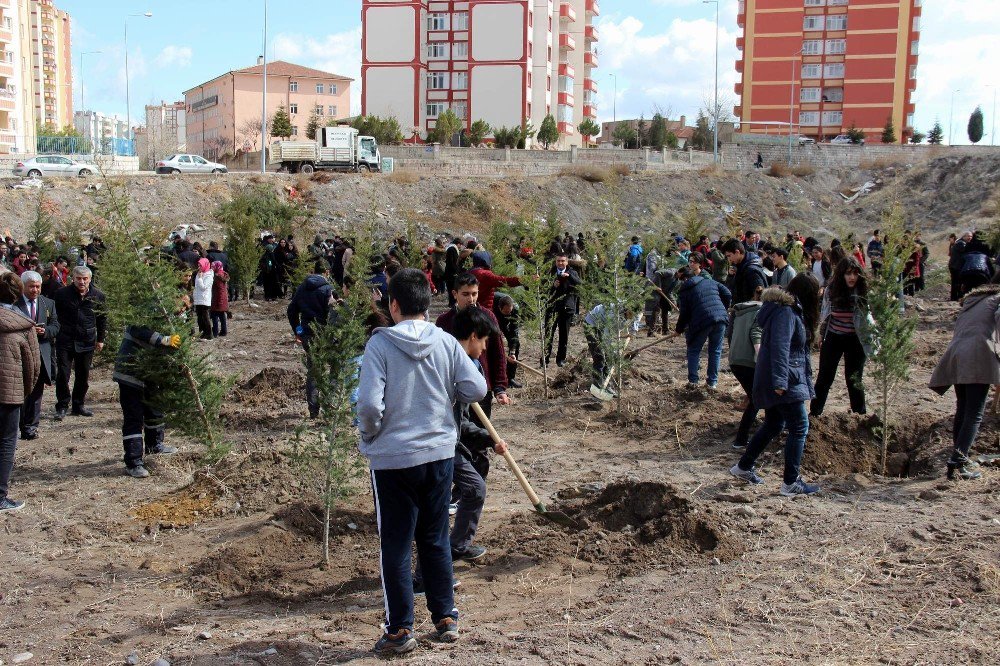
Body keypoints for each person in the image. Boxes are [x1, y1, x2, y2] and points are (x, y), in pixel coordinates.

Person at [357, 268, 488, 655]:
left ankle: (399, 630)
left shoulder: (379, 346)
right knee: (434, 537)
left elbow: (367, 405)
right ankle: (446, 617)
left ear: (393, 305)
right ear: (427, 305)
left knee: (396, 545)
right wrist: (447, 408)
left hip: (394, 459)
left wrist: (371, 434)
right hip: (439, 455)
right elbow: (476, 387)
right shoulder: (446, 342)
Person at [729, 273, 822, 496]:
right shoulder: (786, 313)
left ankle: (743, 467)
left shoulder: (785, 310)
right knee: (800, 426)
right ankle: (791, 482)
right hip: (784, 379)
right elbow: (780, 349)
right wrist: (780, 382)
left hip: (777, 377)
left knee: (774, 423)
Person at [446, 306, 509, 561]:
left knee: (474, 489)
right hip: (436, 445)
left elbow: (460, 422)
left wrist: (490, 440)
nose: (484, 348)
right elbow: (456, 421)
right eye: (483, 341)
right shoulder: (450, 367)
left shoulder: (467, 366)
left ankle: (457, 546)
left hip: (449, 441)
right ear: (473, 336)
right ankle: (430, 570)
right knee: (438, 505)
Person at [928, 275, 1000, 480]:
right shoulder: (998, 299)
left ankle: (957, 461)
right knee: (975, 413)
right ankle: (958, 460)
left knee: (963, 407)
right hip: (979, 354)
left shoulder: (975, 300)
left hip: (957, 353)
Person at [436, 273, 511, 419]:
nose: (471, 299)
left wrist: (500, 387)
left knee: (481, 433)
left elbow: (497, 353)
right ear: (455, 294)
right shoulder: (444, 322)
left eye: (474, 294)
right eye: (465, 294)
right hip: (454, 390)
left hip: (481, 387)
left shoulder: (487, 317)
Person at [113, 325, 182, 478]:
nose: (183, 310)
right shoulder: (147, 308)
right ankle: (134, 461)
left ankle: (154, 445)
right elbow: (137, 329)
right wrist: (163, 339)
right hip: (130, 372)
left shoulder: (166, 311)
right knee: (134, 416)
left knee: (154, 409)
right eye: (183, 305)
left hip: (151, 374)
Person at [810, 257, 873, 417]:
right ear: (841, 275)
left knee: (854, 378)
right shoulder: (832, 290)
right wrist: (821, 335)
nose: (852, 277)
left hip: (855, 339)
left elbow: (870, 318)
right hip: (834, 337)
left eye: (855, 273)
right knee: (825, 376)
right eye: (848, 274)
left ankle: (860, 415)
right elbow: (825, 314)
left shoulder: (863, 291)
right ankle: (815, 413)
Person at [0, 272, 40, 512]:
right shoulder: (23, 325)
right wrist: (22, 392)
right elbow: (33, 366)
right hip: (10, 394)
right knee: (6, 443)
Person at [53, 266, 106, 419]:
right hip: (65, 339)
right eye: (78, 278)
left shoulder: (98, 295)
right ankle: (62, 405)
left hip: (87, 340)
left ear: (90, 279)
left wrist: (100, 339)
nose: (82, 282)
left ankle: (78, 405)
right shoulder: (61, 294)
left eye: (85, 279)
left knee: (83, 375)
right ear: (73, 278)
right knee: (63, 374)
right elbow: (54, 315)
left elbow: (102, 318)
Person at [675, 261, 732, 389]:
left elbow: (684, 313)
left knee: (694, 350)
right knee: (715, 351)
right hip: (721, 318)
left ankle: (693, 382)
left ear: (685, 279)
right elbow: (727, 294)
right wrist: (723, 308)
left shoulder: (685, 290)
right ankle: (712, 383)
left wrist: (679, 329)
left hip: (702, 321)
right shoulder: (710, 281)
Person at [287, 267, 335, 419]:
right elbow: (333, 313)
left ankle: (313, 410)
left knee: (313, 372)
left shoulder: (302, 288)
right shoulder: (328, 289)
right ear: (326, 272)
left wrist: (298, 331)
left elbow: (291, 311)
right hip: (326, 334)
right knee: (334, 368)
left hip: (308, 334)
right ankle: (331, 406)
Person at [16, 272, 58, 441]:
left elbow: (55, 326)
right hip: (20, 354)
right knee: (19, 393)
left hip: (41, 353)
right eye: (31, 286)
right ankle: (17, 425)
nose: (35, 290)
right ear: (23, 286)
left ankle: (31, 427)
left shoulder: (48, 303)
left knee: (36, 393)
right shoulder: (13, 304)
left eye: (38, 286)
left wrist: (45, 331)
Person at [728, 286, 763, 448]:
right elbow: (756, 333)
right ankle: (741, 440)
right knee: (756, 400)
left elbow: (730, 333)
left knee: (755, 396)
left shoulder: (741, 310)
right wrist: (762, 358)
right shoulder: (760, 312)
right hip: (749, 361)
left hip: (735, 359)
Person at [544, 252, 581, 367]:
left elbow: (580, 284)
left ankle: (561, 359)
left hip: (566, 308)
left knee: (564, 335)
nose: (560, 263)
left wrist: (569, 277)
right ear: (555, 262)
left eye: (562, 261)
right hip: (552, 308)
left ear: (567, 262)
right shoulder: (550, 273)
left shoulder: (573, 273)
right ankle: (545, 359)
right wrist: (553, 286)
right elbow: (543, 289)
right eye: (558, 261)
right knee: (548, 334)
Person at [722, 239, 768, 305]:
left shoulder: (751, 270)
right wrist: (731, 276)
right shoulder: (739, 266)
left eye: (729, 256)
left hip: (748, 312)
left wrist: (744, 309)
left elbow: (760, 295)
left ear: (737, 252)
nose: (729, 259)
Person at [493, 293, 522, 388]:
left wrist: (512, 352)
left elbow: (514, 331)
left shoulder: (515, 309)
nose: (509, 314)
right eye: (506, 312)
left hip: (504, 322)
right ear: (499, 308)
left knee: (515, 343)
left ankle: (510, 378)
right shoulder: (492, 302)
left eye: (510, 311)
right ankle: (494, 378)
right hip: (492, 319)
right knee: (494, 344)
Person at [959, 231, 993, 296]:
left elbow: (963, 258)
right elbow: (989, 257)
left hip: (968, 269)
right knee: (981, 289)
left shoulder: (969, 244)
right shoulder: (985, 245)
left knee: (968, 288)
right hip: (982, 270)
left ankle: (967, 302)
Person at [192, 258, 214, 340]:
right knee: (199, 318)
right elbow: (196, 286)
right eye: (198, 265)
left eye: (200, 265)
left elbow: (203, 287)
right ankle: (202, 333)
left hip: (204, 299)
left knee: (205, 317)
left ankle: (209, 334)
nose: (199, 267)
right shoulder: (199, 274)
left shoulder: (209, 276)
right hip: (198, 299)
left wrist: (200, 278)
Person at [948, 231, 971, 302]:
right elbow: (967, 252)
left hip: (955, 266)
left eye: (971, 236)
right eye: (968, 236)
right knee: (957, 282)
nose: (970, 238)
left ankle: (954, 298)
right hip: (956, 266)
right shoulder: (961, 243)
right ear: (964, 236)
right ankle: (956, 298)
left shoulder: (959, 242)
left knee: (956, 282)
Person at [210, 260, 230, 337]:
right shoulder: (223, 274)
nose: (212, 267)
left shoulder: (218, 277)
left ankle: (215, 332)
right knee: (222, 316)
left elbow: (220, 290)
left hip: (218, 299)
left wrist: (220, 301)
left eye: (213, 266)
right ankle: (223, 331)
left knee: (215, 316)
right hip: (222, 299)